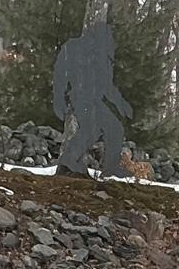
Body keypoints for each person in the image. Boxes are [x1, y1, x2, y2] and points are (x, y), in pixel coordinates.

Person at [53, 24, 133, 175]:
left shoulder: (102, 56)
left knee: (115, 128)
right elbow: (60, 75)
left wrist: (121, 104)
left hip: (95, 101)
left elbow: (107, 86)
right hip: (79, 98)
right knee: (91, 129)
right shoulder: (73, 47)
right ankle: (69, 158)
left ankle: (110, 168)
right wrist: (59, 100)